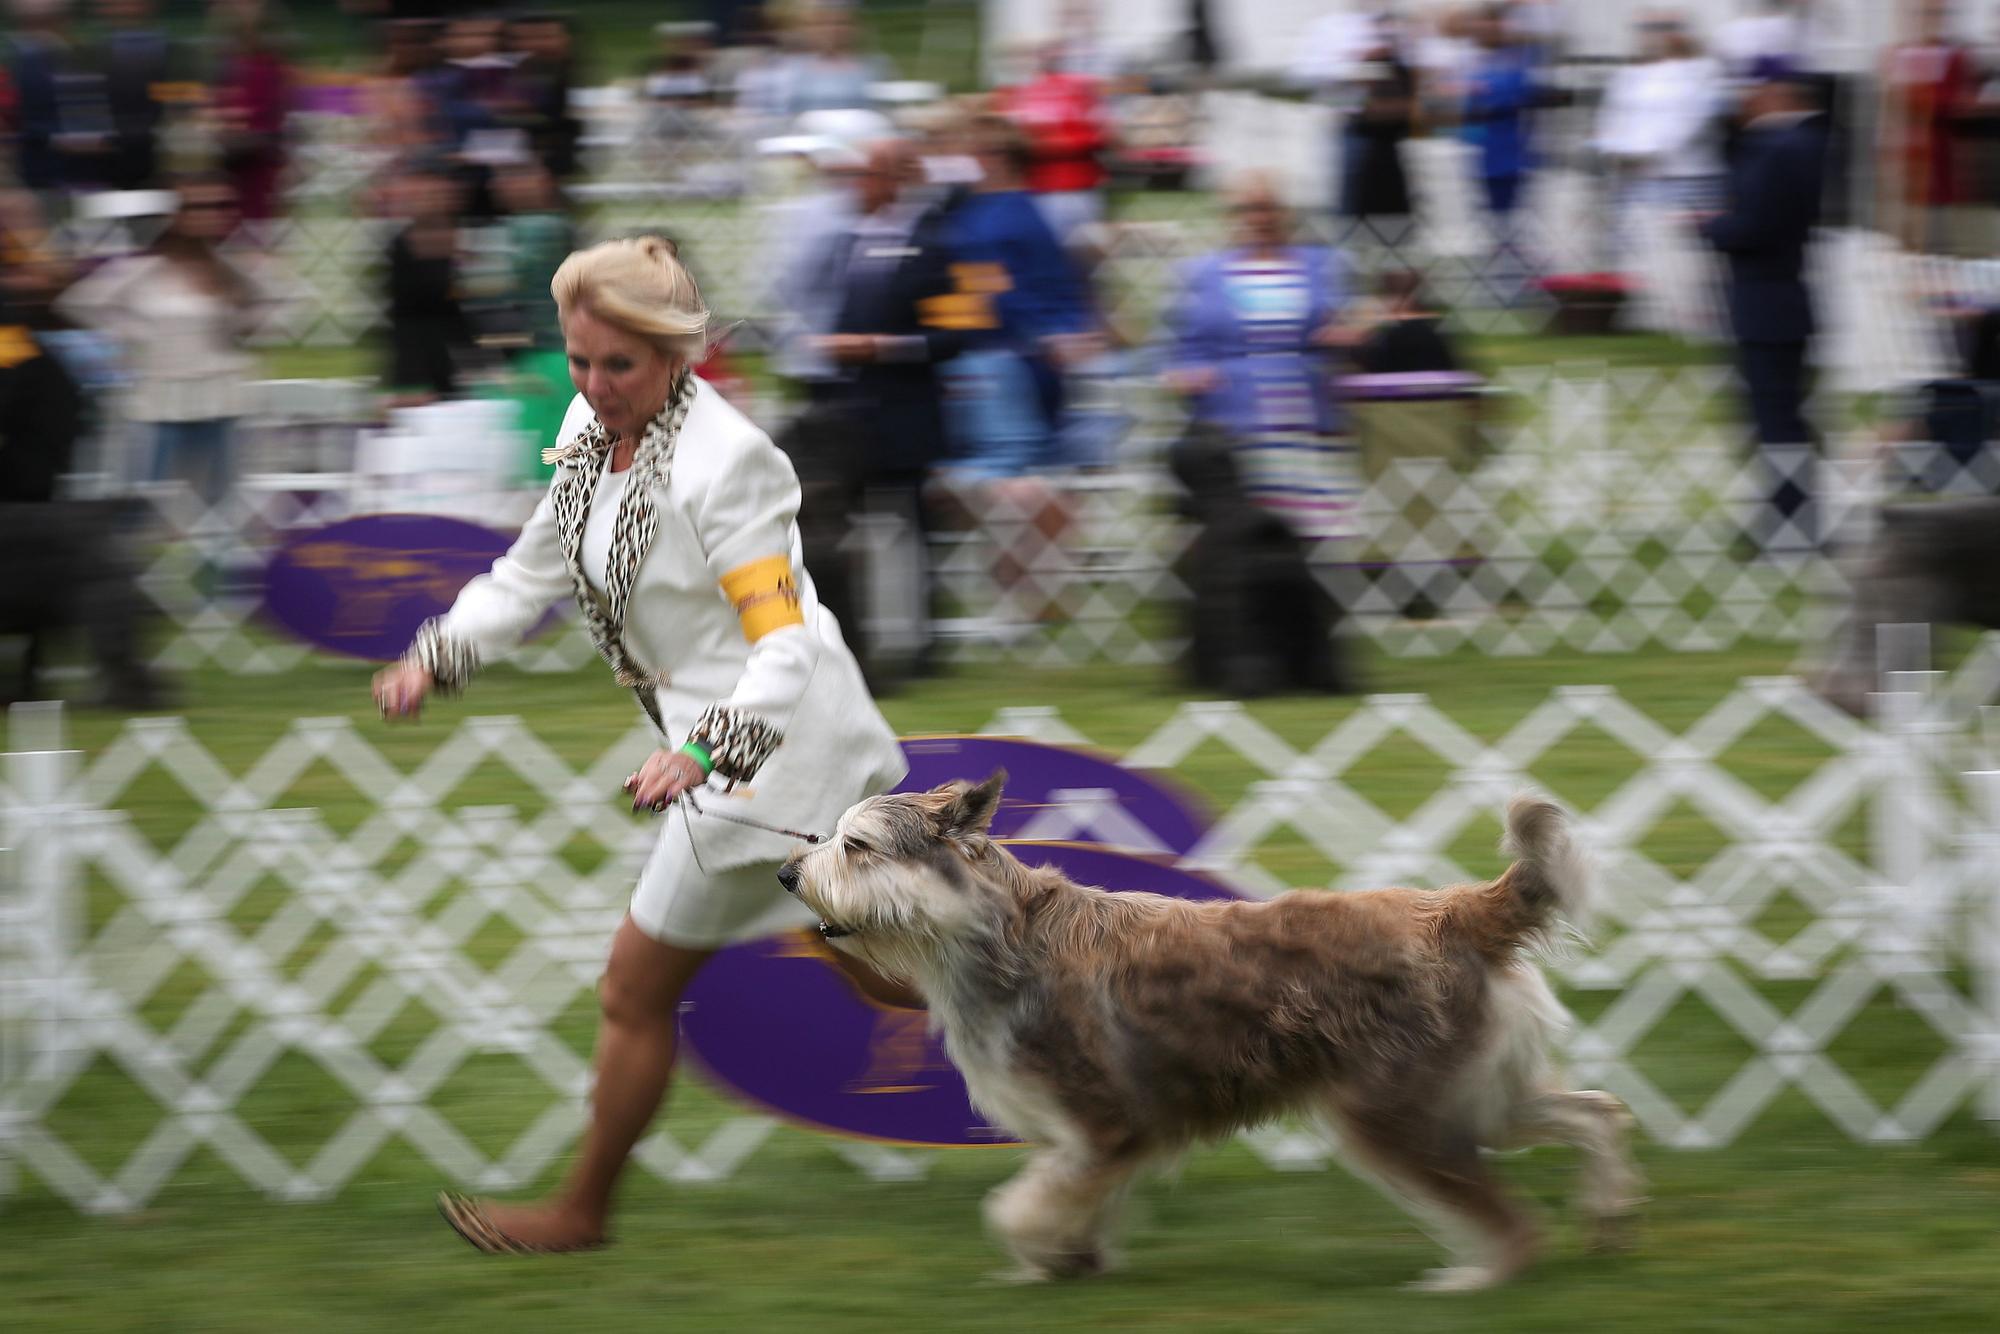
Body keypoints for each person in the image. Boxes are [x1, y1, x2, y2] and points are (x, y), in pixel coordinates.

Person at [372, 235, 910, 1254]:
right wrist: (434, 657)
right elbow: (530, 571)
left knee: (633, 986)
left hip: (765, 759)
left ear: (678, 356)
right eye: (579, 359)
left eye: (618, 363)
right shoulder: (585, 428)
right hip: (730, 759)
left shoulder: (733, 463)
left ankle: (580, 1213)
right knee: (881, 969)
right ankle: (1091, 1037)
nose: (593, 383)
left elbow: (781, 648)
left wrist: (705, 754)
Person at [1162, 171, 1354, 545]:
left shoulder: (1323, 264)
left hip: (1308, 410)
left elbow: (1353, 317)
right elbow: (1181, 344)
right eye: (1248, 209)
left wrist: (1350, 332)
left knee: (1312, 531)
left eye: (1268, 208)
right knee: (1242, 530)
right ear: (1230, 216)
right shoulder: (1202, 273)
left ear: (1286, 213)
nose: (1259, 218)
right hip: (1232, 414)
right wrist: (1184, 373)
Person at [55, 174, 262, 503]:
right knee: (144, 502)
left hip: (221, 400)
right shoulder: (146, 270)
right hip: (160, 403)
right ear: (177, 216)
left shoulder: (234, 269)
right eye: (200, 206)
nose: (212, 213)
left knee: (218, 502)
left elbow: (280, 302)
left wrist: (242, 326)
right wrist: (139, 334)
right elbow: (79, 302)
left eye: (222, 206)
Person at [1700, 74, 1828, 557]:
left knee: (1775, 422)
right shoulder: (1807, 144)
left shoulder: (1775, 148)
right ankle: (1791, 515)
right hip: (1785, 300)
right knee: (1785, 420)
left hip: (1766, 304)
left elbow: (1753, 225)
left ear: (1777, 93)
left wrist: (1711, 228)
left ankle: (1791, 523)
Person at [1879, 0, 1982, 253]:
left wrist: (1919, 98)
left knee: (1938, 233)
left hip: (1940, 159)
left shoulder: (1954, 56)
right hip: (1904, 162)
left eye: (1935, 13)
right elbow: (1891, 101)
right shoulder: (1898, 53)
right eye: (1925, 12)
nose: (1929, 19)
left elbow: (1957, 101)